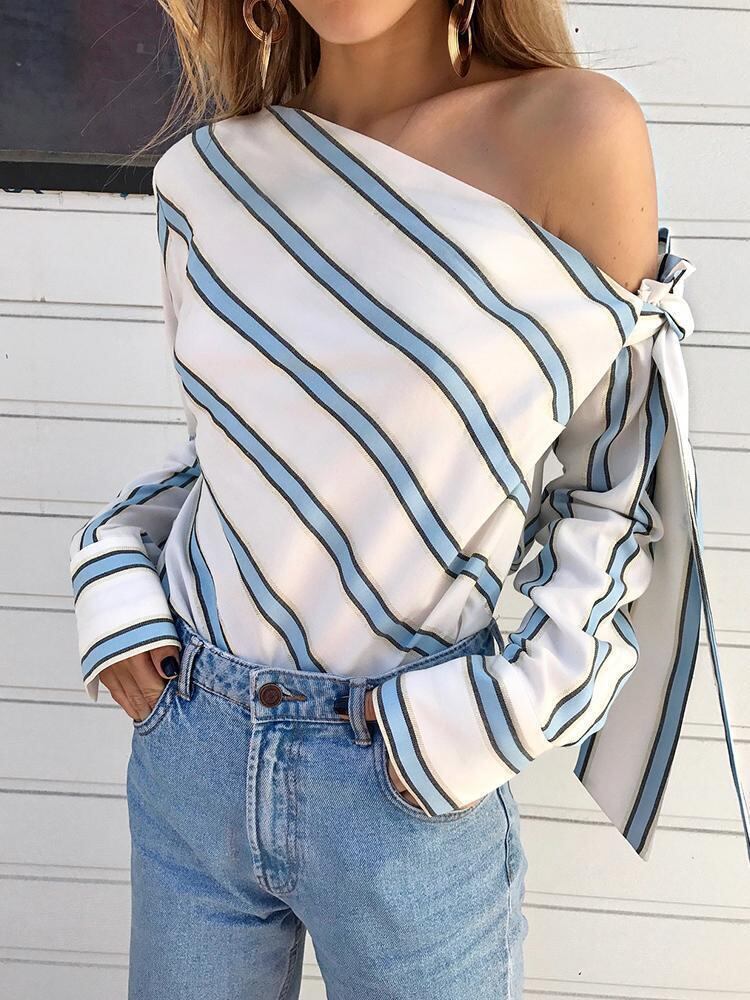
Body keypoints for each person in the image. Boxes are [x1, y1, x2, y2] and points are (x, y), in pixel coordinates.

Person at [68, 1, 749, 998]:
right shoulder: (206, 177)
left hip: (406, 782)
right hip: (193, 753)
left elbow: (619, 497)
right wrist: (114, 579)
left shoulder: (573, 134)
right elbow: (231, 461)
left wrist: (493, 719)